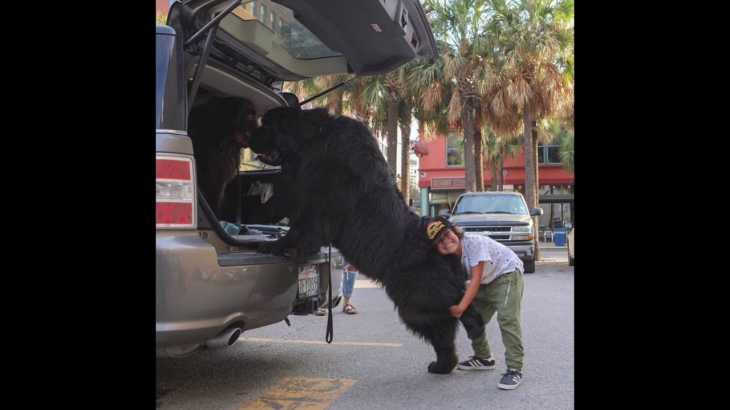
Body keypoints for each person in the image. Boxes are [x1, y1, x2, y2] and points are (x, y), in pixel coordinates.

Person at [426, 216, 526, 390]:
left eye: (447, 234)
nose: (446, 241)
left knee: (507, 319)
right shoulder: (448, 258)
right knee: (473, 318)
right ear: (437, 248)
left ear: (455, 231)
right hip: (486, 281)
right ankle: (484, 358)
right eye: (439, 240)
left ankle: (514, 369)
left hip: (506, 273)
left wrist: (460, 307)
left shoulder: (473, 243)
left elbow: (475, 280)